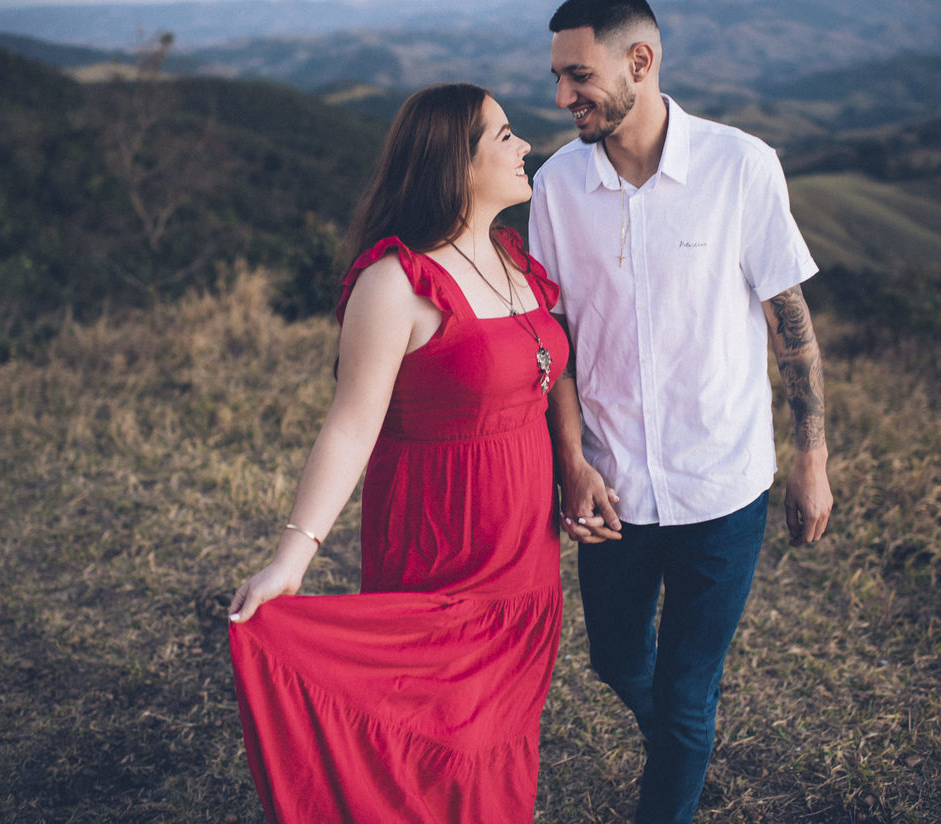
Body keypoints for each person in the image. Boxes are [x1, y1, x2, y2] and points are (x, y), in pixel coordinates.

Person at [227, 83, 569, 822]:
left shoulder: (516, 264)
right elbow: (350, 426)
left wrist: (578, 477)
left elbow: (542, 389)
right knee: (435, 733)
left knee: (499, 731)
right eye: (504, 136)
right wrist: (292, 558)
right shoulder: (396, 283)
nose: (525, 147)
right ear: (457, 161)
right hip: (442, 542)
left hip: (528, 556)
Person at [528, 1, 834, 822]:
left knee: (689, 692)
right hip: (614, 490)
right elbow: (550, 339)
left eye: (578, 75)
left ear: (639, 62)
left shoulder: (743, 167)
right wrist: (572, 460)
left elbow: (792, 328)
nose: (562, 96)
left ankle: (675, 768)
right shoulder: (556, 186)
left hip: (724, 490)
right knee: (618, 663)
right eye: (557, 76)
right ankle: (682, 745)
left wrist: (812, 462)